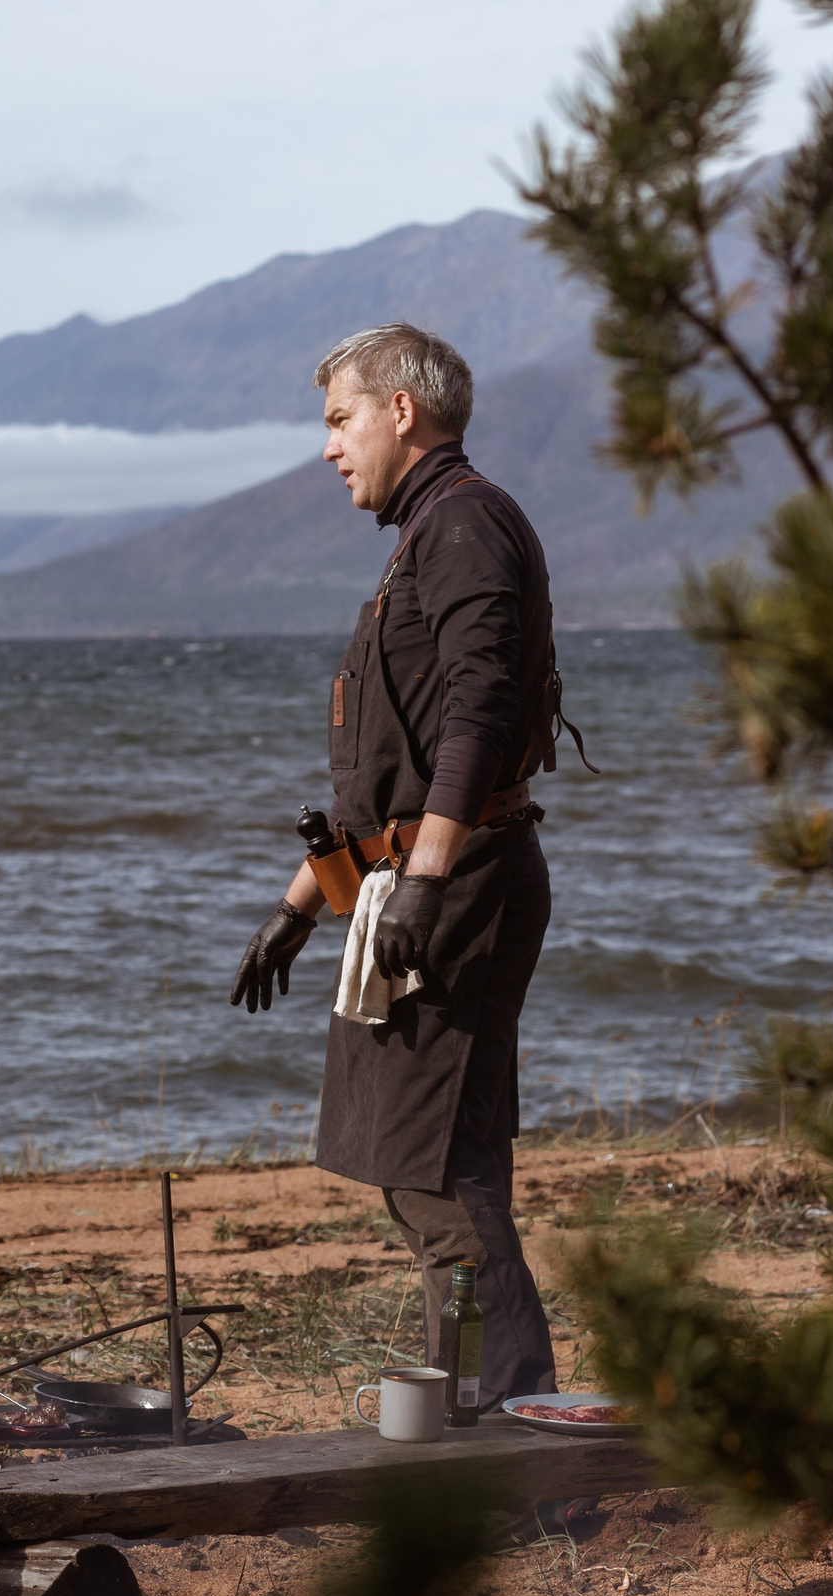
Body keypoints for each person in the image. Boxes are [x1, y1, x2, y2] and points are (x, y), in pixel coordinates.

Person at [228, 321, 570, 1411]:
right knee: (430, 1165)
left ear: (400, 412)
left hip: (458, 886)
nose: (328, 447)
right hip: (433, 878)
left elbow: (475, 718)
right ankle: (467, 1414)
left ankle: (507, 1436)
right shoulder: (431, 533)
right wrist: (298, 906)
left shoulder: (463, 526)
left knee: (438, 1174)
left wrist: (422, 883)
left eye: (338, 419)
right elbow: (387, 773)